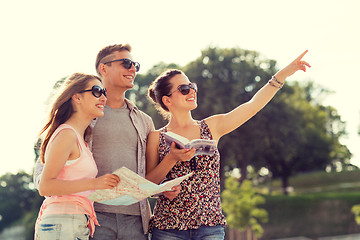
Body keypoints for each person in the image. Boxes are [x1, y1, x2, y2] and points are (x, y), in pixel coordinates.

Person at [146, 51, 311, 239]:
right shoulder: (156, 137)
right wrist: (171, 160)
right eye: (184, 89)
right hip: (168, 228)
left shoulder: (213, 126)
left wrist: (284, 74)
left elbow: (253, 105)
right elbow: (148, 185)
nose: (192, 91)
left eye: (192, 86)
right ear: (167, 100)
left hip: (209, 226)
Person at [34, 73, 121, 239]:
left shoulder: (79, 138)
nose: (103, 97)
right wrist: (95, 183)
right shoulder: (67, 134)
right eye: (96, 91)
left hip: (73, 221)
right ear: (76, 97)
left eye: (104, 92)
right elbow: (46, 186)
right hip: (63, 223)